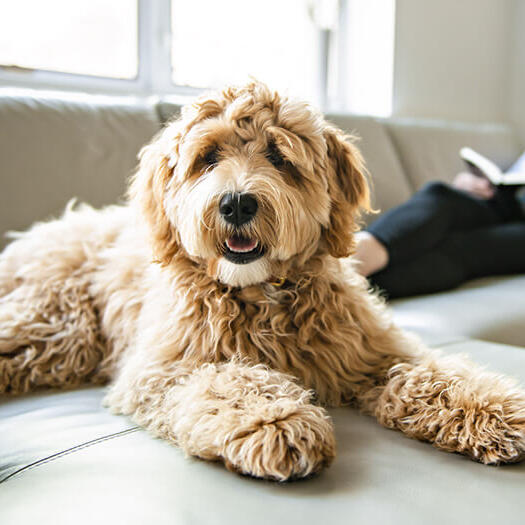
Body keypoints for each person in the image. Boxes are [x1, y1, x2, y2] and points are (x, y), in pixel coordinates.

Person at [354, 152, 525, 299]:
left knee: (464, 246)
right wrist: (473, 182)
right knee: (439, 194)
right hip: (509, 201)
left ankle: (341, 283)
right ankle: (349, 259)